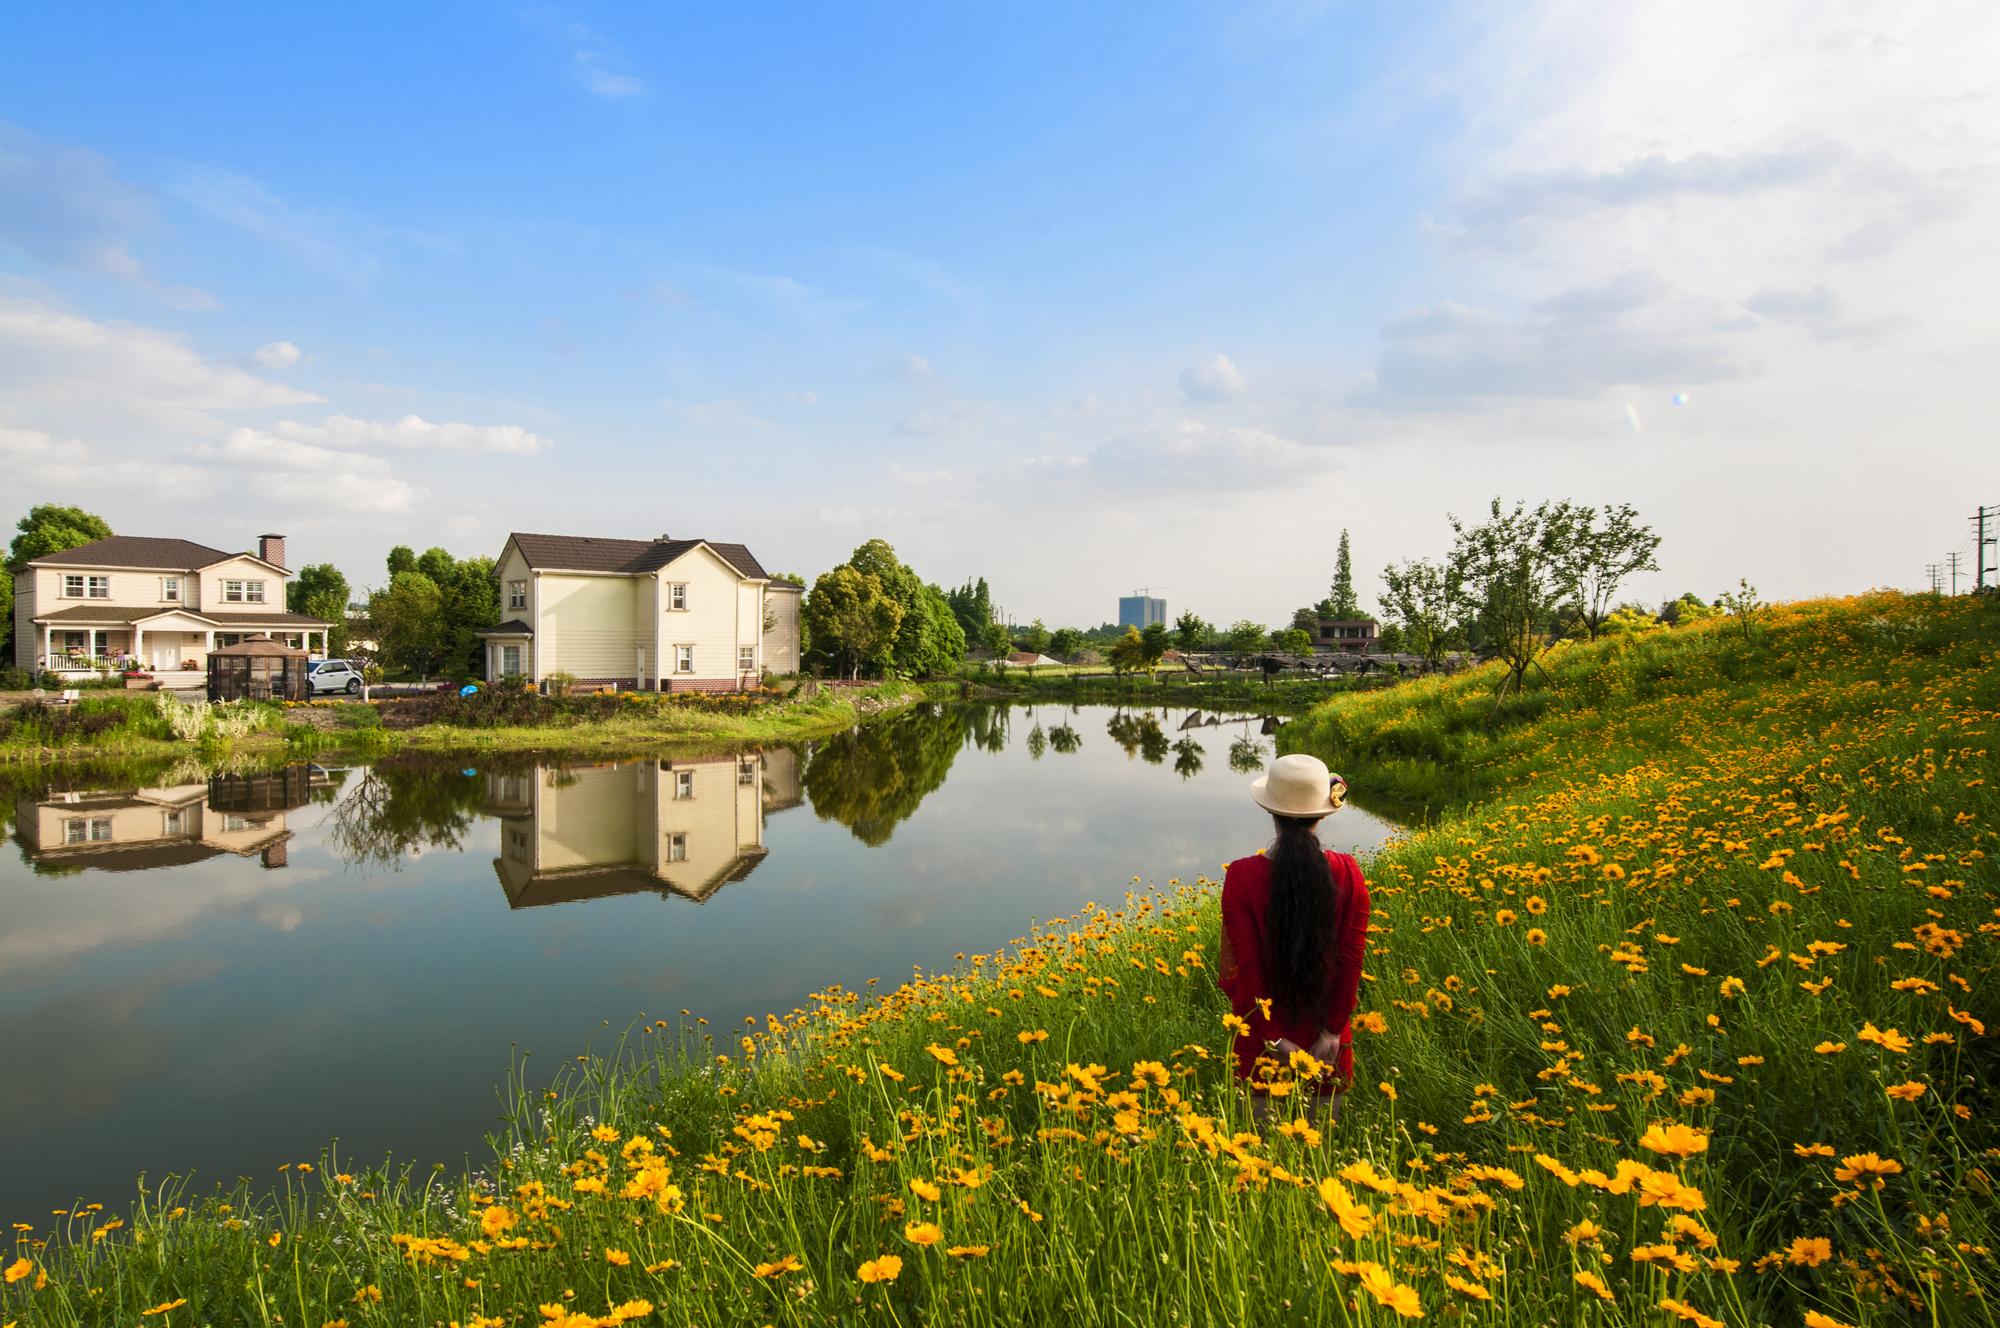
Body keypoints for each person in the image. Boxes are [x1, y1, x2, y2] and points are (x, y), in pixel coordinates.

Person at [1217, 752, 1371, 1129]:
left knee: (1255, 1166)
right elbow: (1352, 962)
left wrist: (1274, 1040)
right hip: (1326, 1047)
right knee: (1321, 1162)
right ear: (1322, 814)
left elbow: (1247, 969)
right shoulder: (1349, 872)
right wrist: (1332, 1032)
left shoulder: (1241, 876)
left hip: (1263, 1045)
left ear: (1271, 812)